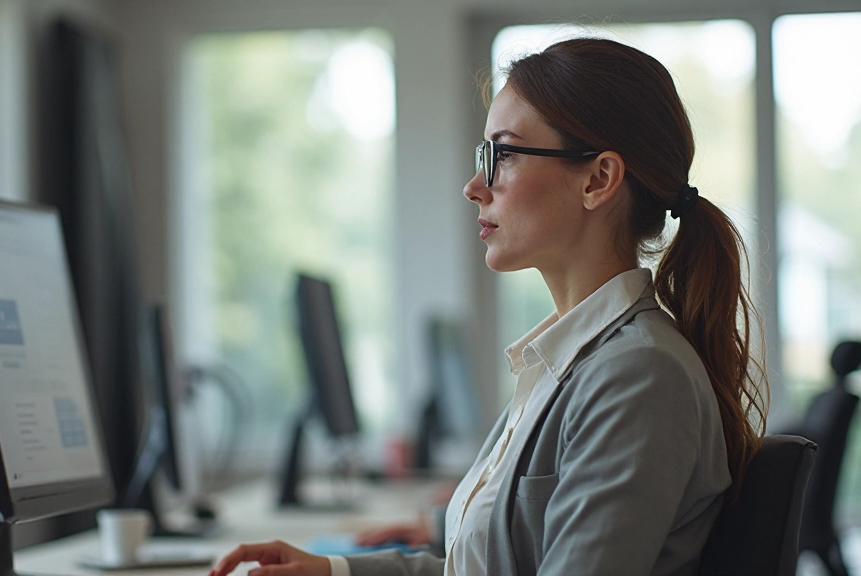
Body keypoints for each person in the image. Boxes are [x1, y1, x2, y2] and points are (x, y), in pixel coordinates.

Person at [208, 36, 768, 576]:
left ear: (597, 180)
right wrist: (334, 570)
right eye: (484, 155)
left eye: (502, 154)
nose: (475, 185)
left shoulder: (638, 374)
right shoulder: (564, 363)